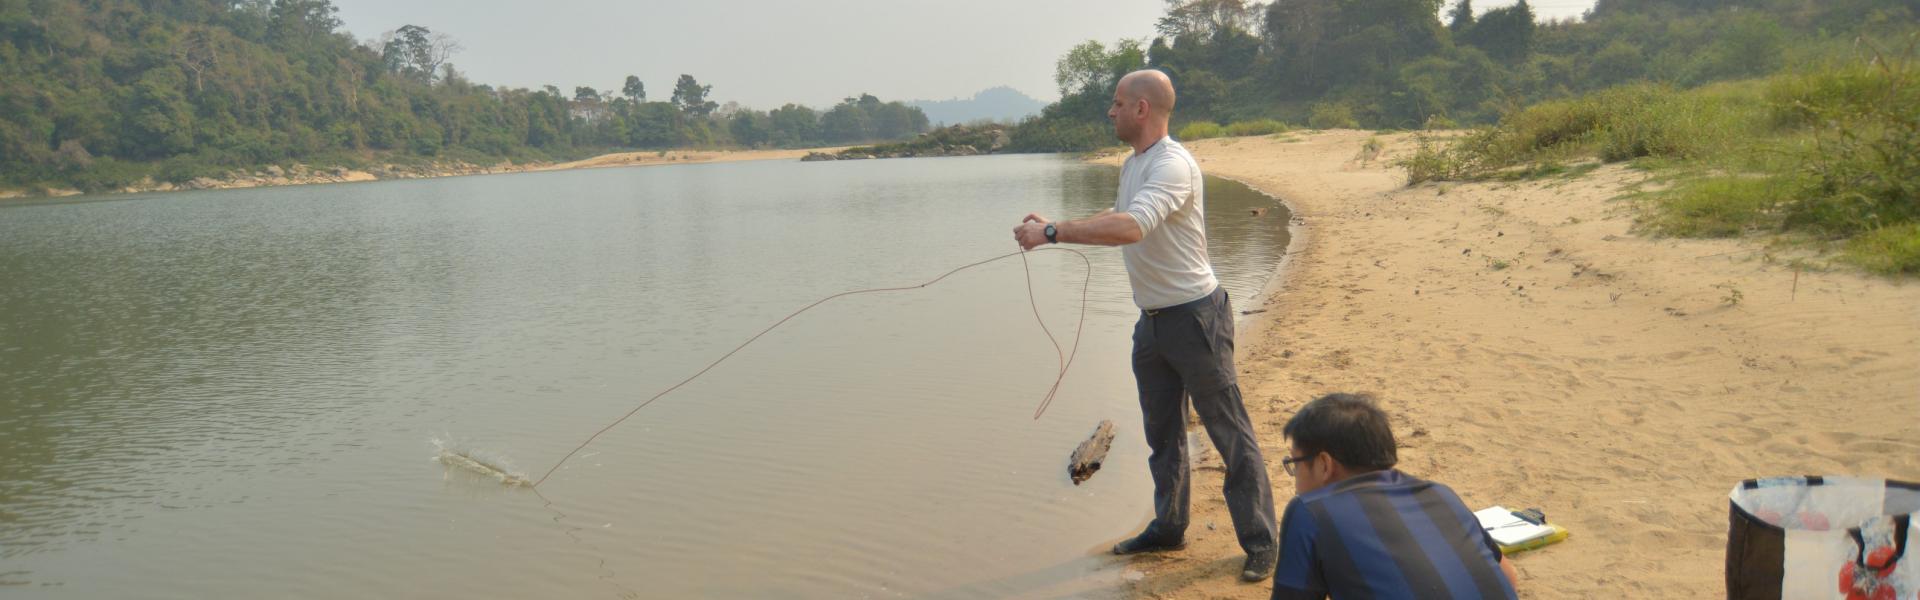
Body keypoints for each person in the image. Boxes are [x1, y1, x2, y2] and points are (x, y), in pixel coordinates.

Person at [1013, 69, 1278, 582]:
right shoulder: (1134, 164)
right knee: (1164, 435)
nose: (1109, 111)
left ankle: (1262, 540)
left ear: (1141, 109)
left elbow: (1133, 227)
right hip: (1152, 322)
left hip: (1196, 319)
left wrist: (1051, 232)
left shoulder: (1174, 164)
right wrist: (1057, 225)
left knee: (1229, 433)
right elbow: (1119, 213)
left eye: (1116, 103)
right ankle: (1169, 527)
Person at [1271, 393, 1520, 599]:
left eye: (1295, 463)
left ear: (1324, 464)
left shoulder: (1309, 512)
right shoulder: (1440, 493)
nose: (1295, 480)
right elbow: (1508, 577)